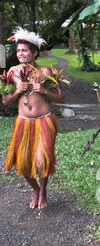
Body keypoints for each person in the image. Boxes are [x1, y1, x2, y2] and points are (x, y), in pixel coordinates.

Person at [2, 27, 65, 209]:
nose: (21, 54)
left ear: (34, 53)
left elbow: (61, 98)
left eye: (25, 50)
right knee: (22, 164)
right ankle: (36, 190)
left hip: (44, 119)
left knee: (41, 161)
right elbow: (5, 101)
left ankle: (43, 191)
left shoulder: (45, 72)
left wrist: (44, 91)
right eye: (19, 50)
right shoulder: (12, 73)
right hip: (23, 121)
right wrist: (17, 92)